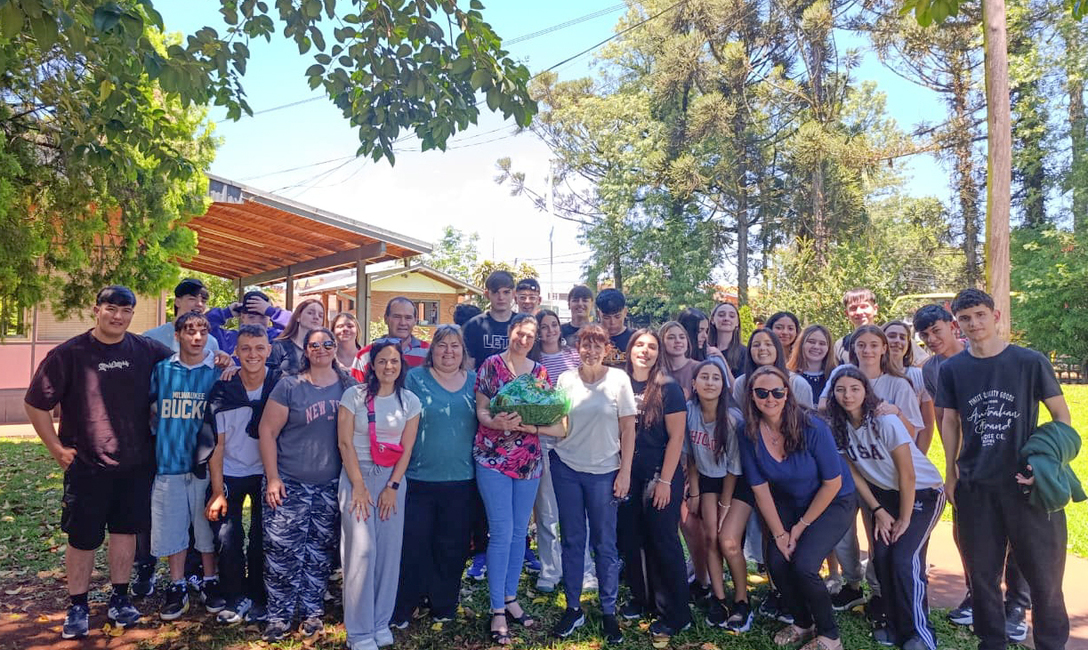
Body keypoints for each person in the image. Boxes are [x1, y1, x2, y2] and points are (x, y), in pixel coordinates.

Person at [24, 286, 173, 639]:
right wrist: (57, 449)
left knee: (124, 533)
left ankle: (120, 598)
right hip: (87, 465)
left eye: (125, 310)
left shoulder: (146, 349)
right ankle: (78, 604)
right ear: (96, 310)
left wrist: (223, 360)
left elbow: (185, 365)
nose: (118, 316)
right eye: (111, 308)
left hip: (136, 463)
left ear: (132, 315)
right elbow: (36, 403)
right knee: (83, 538)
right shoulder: (70, 353)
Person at [936, 288, 1071, 650]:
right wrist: (950, 472)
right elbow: (949, 421)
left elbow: (1062, 417)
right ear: (957, 324)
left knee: (1044, 579)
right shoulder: (953, 369)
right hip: (976, 485)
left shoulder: (1029, 362)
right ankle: (991, 642)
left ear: (995, 317)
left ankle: (1051, 644)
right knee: (981, 576)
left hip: (1026, 486)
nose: (974, 324)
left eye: (980, 315)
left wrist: (1046, 467)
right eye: (965, 318)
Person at [912, 304, 1031, 635]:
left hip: (1006, 455)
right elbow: (944, 419)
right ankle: (978, 595)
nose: (932, 339)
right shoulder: (931, 369)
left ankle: (1017, 606)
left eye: (936, 330)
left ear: (953, 326)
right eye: (924, 335)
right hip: (969, 462)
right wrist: (953, 464)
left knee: (1015, 533)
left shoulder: (987, 353)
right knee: (968, 532)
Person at [826, 367, 946, 650]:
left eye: (855, 388)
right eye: (840, 389)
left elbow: (908, 475)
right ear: (833, 393)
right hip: (885, 498)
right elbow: (854, 473)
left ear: (866, 391)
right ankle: (894, 625)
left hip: (923, 494)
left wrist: (904, 517)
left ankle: (920, 635)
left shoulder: (885, 422)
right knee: (882, 559)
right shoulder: (838, 427)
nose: (847, 395)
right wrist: (878, 510)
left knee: (905, 559)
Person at [739, 366, 857, 650]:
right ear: (752, 396)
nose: (770, 398)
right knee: (777, 561)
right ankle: (803, 623)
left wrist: (800, 527)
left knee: (804, 564)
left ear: (787, 393)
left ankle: (830, 636)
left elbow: (832, 483)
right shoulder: (748, 432)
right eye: (762, 392)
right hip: (789, 500)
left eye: (777, 391)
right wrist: (780, 534)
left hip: (833, 500)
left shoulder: (812, 426)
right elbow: (759, 488)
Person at [538, 324, 636, 644]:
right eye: (585, 345)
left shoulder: (619, 380)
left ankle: (608, 611)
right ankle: (573, 606)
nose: (591, 351)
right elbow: (560, 425)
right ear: (576, 348)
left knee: (605, 544)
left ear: (606, 349)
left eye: (597, 346)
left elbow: (628, 430)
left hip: (605, 471)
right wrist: (527, 424)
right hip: (567, 468)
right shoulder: (566, 380)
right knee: (572, 540)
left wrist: (625, 472)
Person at [258, 328, 355, 641]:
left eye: (328, 344)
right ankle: (279, 615)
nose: (322, 349)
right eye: (315, 345)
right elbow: (267, 432)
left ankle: (312, 613)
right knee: (282, 553)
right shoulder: (290, 385)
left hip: (329, 485)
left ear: (335, 346)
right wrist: (273, 477)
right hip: (289, 482)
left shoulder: (348, 386)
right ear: (306, 350)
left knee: (318, 553)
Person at [821, 325, 923, 612]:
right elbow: (826, 409)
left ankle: (878, 592)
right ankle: (852, 585)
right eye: (861, 345)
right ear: (853, 349)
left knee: (876, 532)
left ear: (884, 348)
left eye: (873, 344)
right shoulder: (840, 377)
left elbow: (912, 432)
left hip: (880, 474)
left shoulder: (898, 383)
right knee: (841, 531)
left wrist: (897, 412)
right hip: (849, 467)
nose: (867, 350)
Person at [473, 314, 560, 645]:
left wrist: (532, 425)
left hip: (529, 461)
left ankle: (510, 597)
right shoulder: (491, 366)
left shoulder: (539, 373)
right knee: (501, 531)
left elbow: (550, 413)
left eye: (531, 335)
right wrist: (495, 422)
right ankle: (496, 608)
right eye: (520, 333)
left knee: (519, 533)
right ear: (511, 333)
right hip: (492, 457)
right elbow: (480, 410)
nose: (525, 339)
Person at [338, 338, 422, 650]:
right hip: (356, 475)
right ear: (372, 365)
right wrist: (358, 486)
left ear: (402, 366)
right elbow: (345, 443)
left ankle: (379, 622)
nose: (389, 366)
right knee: (361, 552)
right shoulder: (354, 396)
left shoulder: (409, 401)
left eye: (394, 362)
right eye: (383, 361)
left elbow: (408, 446)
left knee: (388, 553)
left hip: (391, 480)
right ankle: (359, 632)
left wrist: (393, 487)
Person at [392, 325, 478, 625]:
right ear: (433, 350)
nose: (448, 351)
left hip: (462, 478)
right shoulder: (416, 379)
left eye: (455, 346)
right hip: (418, 477)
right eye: (442, 345)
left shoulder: (475, 382)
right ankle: (406, 605)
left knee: (452, 546)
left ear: (463, 351)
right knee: (414, 544)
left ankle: (443, 604)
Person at [147, 312, 225, 620]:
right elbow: (150, 411)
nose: (196, 336)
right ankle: (177, 585)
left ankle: (210, 581)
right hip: (168, 462)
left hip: (205, 465)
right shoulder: (162, 370)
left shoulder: (218, 370)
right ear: (177, 335)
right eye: (189, 330)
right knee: (171, 528)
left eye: (202, 331)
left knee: (206, 528)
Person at [617, 329, 692, 639]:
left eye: (651, 347)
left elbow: (677, 438)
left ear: (657, 353)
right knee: (631, 539)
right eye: (639, 345)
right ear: (630, 349)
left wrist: (664, 481)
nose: (644, 351)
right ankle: (641, 599)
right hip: (626, 474)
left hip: (661, 473)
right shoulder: (618, 383)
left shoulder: (668, 388)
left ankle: (676, 613)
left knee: (663, 540)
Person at [205, 324, 280, 625]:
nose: (253, 354)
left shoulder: (279, 385)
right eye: (246, 348)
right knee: (228, 537)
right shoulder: (224, 389)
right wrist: (217, 491)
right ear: (236, 352)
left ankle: (260, 597)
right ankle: (235, 596)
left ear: (269, 351)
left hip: (266, 472)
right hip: (232, 472)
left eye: (259, 348)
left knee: (263, 537)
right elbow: (216, 445)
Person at [684, 360, 754, 632]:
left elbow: (734, 470)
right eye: (704, 377)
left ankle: (741, 600)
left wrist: (725, 506)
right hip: (707, 479)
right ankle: (719, 597)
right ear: (695, 383)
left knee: (728, 541)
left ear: (724, 385)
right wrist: (695, 490)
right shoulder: (689, 411)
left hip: (736, 481)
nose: (710, 382)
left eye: (716, 378)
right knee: (710, 536)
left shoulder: (732, 420)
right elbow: (690, 455)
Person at [531, 309, 590, 594]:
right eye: (544, 327)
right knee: (546, 508)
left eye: (554, 325)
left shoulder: (574, 357)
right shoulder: (532, 362)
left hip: (574, 439)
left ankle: (585, 569)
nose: (550, 330)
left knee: (579, 510)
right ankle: (550, 569)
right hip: (543, 438)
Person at [883, 321, 936, 453]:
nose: (897, 341)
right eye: (892, 336)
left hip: (911, 450)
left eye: (902, 337)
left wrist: (920, 455)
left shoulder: (918, 376)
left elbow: (928, 423)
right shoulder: (872, 376)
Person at [732, 329, 814, 409]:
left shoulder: (797, 383)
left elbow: (807, 419)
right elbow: (739, 418)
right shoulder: (741, 383)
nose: (762, 348)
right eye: (756, 345)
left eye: (768, 344)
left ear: (777, 349)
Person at [352, 297, 430, 379]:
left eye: (408, 318)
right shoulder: (365, 355)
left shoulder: (428, 353)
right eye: (397, 317)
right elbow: (357, 389)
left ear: (415, 321)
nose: (402, 323)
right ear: (386, 319)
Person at [143, 278, 220, 353]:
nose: (199, 304)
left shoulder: (211, 342)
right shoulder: (152, 337)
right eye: (192, 299)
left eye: (203, 301)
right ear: (177, 302)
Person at [205, 290, 292, 355]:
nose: (257, 322)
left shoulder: (276, 337)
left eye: (262, 317)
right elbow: (203, 325)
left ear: (269, 318)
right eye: (251, 317)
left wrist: (272, 311)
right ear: (242, 317)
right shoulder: (229, 338)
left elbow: (299, 325)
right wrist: (226, 312)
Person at [465, 271, 517, 371]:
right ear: (487, 294)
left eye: (506, 292)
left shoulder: (522, 324)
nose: (501, 297)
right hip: (482, 384)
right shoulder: (474, 325)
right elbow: (468, 365)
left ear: (513, 294)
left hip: (518, 384)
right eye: (495, 292)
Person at [270, 298, 326, 375]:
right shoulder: (279, 346)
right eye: (310, 313)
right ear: (298, 317)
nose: (316, 317)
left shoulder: (324, 350)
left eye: (320, 315)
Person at [788, 325, 836, 400]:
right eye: (811, 342)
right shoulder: (789, 377)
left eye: (822, 343)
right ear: (801, 344)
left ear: (829, 348)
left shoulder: (835, 377)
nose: (816, 347)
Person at [834, 288, 880, 364]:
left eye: (864, 306)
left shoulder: (888, 340)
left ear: (875, 309)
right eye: (853, 308)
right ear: (847, 313)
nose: (859, 312)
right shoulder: (840, 346)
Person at [659, 321, 698, 398]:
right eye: (671, 337)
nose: (678, 341)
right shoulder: (656, 371)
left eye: (682, 337)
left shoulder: (699, 368)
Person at [596, 288, 633, 368]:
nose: (612, 322)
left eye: (617, 316)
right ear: (598, 314)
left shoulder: (635, 338)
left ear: (625, 312)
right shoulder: (593, 337)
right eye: (606, 317)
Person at [709, 302, 747, 380]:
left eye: (732, 316)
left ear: (737, 323)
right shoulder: (703, 348)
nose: (726, 319)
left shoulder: (744, 353)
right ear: (712, 320)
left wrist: (721, 359)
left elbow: (738, 390)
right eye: (721, 315)